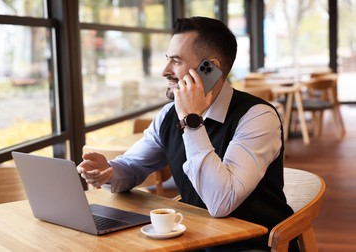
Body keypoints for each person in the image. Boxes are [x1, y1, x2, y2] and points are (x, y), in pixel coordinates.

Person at [77, 16, 298, 251]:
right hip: (195, 239)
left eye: (176, 61)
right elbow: (133, 166)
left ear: (209, 69)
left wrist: (192, 122)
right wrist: (108, 172)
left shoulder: (258, 117)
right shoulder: (168, 115)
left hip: (254, 244)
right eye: (167, 60)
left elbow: (221, 202)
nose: (165, 71)